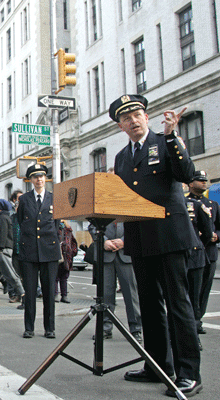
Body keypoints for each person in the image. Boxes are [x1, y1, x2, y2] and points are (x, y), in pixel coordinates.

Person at [110, 94, 202, 396]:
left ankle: (189, 373)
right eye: (126, 118)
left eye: (137, 114)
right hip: (138, 237)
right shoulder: (121, 158)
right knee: (149, 307)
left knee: (178, 304)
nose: (133, 120)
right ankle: (157, 365)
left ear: (146, 116)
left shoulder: (167, 142)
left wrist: (173, 136)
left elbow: (186, 175)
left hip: (170, 234)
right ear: (121, 126)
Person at [16, 163, 61, 339]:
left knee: (49, 292)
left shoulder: (53, 198)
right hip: (29, 251)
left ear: (46, 178)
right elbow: (21, 222)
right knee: (30, 292)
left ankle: (49, 328)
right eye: (35, 177)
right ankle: (29, 328)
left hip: (49, 250)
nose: (39, 180)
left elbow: (55, 224)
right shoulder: (24, 199)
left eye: (42, 176)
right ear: (31, 180)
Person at [88, 218, 143, 343]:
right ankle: (105, 328)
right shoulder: (101, 201)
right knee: (106, 294)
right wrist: (103, 240)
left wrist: (124, 241)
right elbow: (92, 226)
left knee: (131, 294)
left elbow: (136, 225)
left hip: (126, 253)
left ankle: (136, 329)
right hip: (105, 254)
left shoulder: (128, 203)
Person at [186, 171, 220, 335]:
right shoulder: (185, 203)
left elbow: (217, 227)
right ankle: (192, 320)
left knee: (204, 289)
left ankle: (198, 320)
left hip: (209, 252)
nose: (204, 183)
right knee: (192, 289)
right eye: (200, 180)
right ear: (191, 183)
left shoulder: (213, 204)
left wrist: (216, 236)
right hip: (193, 254)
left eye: (205, 180)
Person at [184, 193, 213, 350]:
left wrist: (197, 245)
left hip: (195, 259)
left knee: (194, 300)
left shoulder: (195, 205)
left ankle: (193, 338)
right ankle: (173, 335)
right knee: (176, 300)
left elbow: (207, 232)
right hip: (175, 259)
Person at [10, 190, 26, 310]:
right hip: (15, 251)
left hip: (26, 251)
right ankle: (16, 295)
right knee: (15, 274)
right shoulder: (12, 218)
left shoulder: (27, 218)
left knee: (26, 275)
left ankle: (26, 297)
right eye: (16, 206)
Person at [55, 220, 77, 304]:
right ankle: (56, 295)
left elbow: (73, 243)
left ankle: (64, 296)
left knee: (64, 277)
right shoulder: (56, 228)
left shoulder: (68, 230)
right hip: (58, 255)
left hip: (67, 257)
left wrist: (71, 253)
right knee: (56, 277)